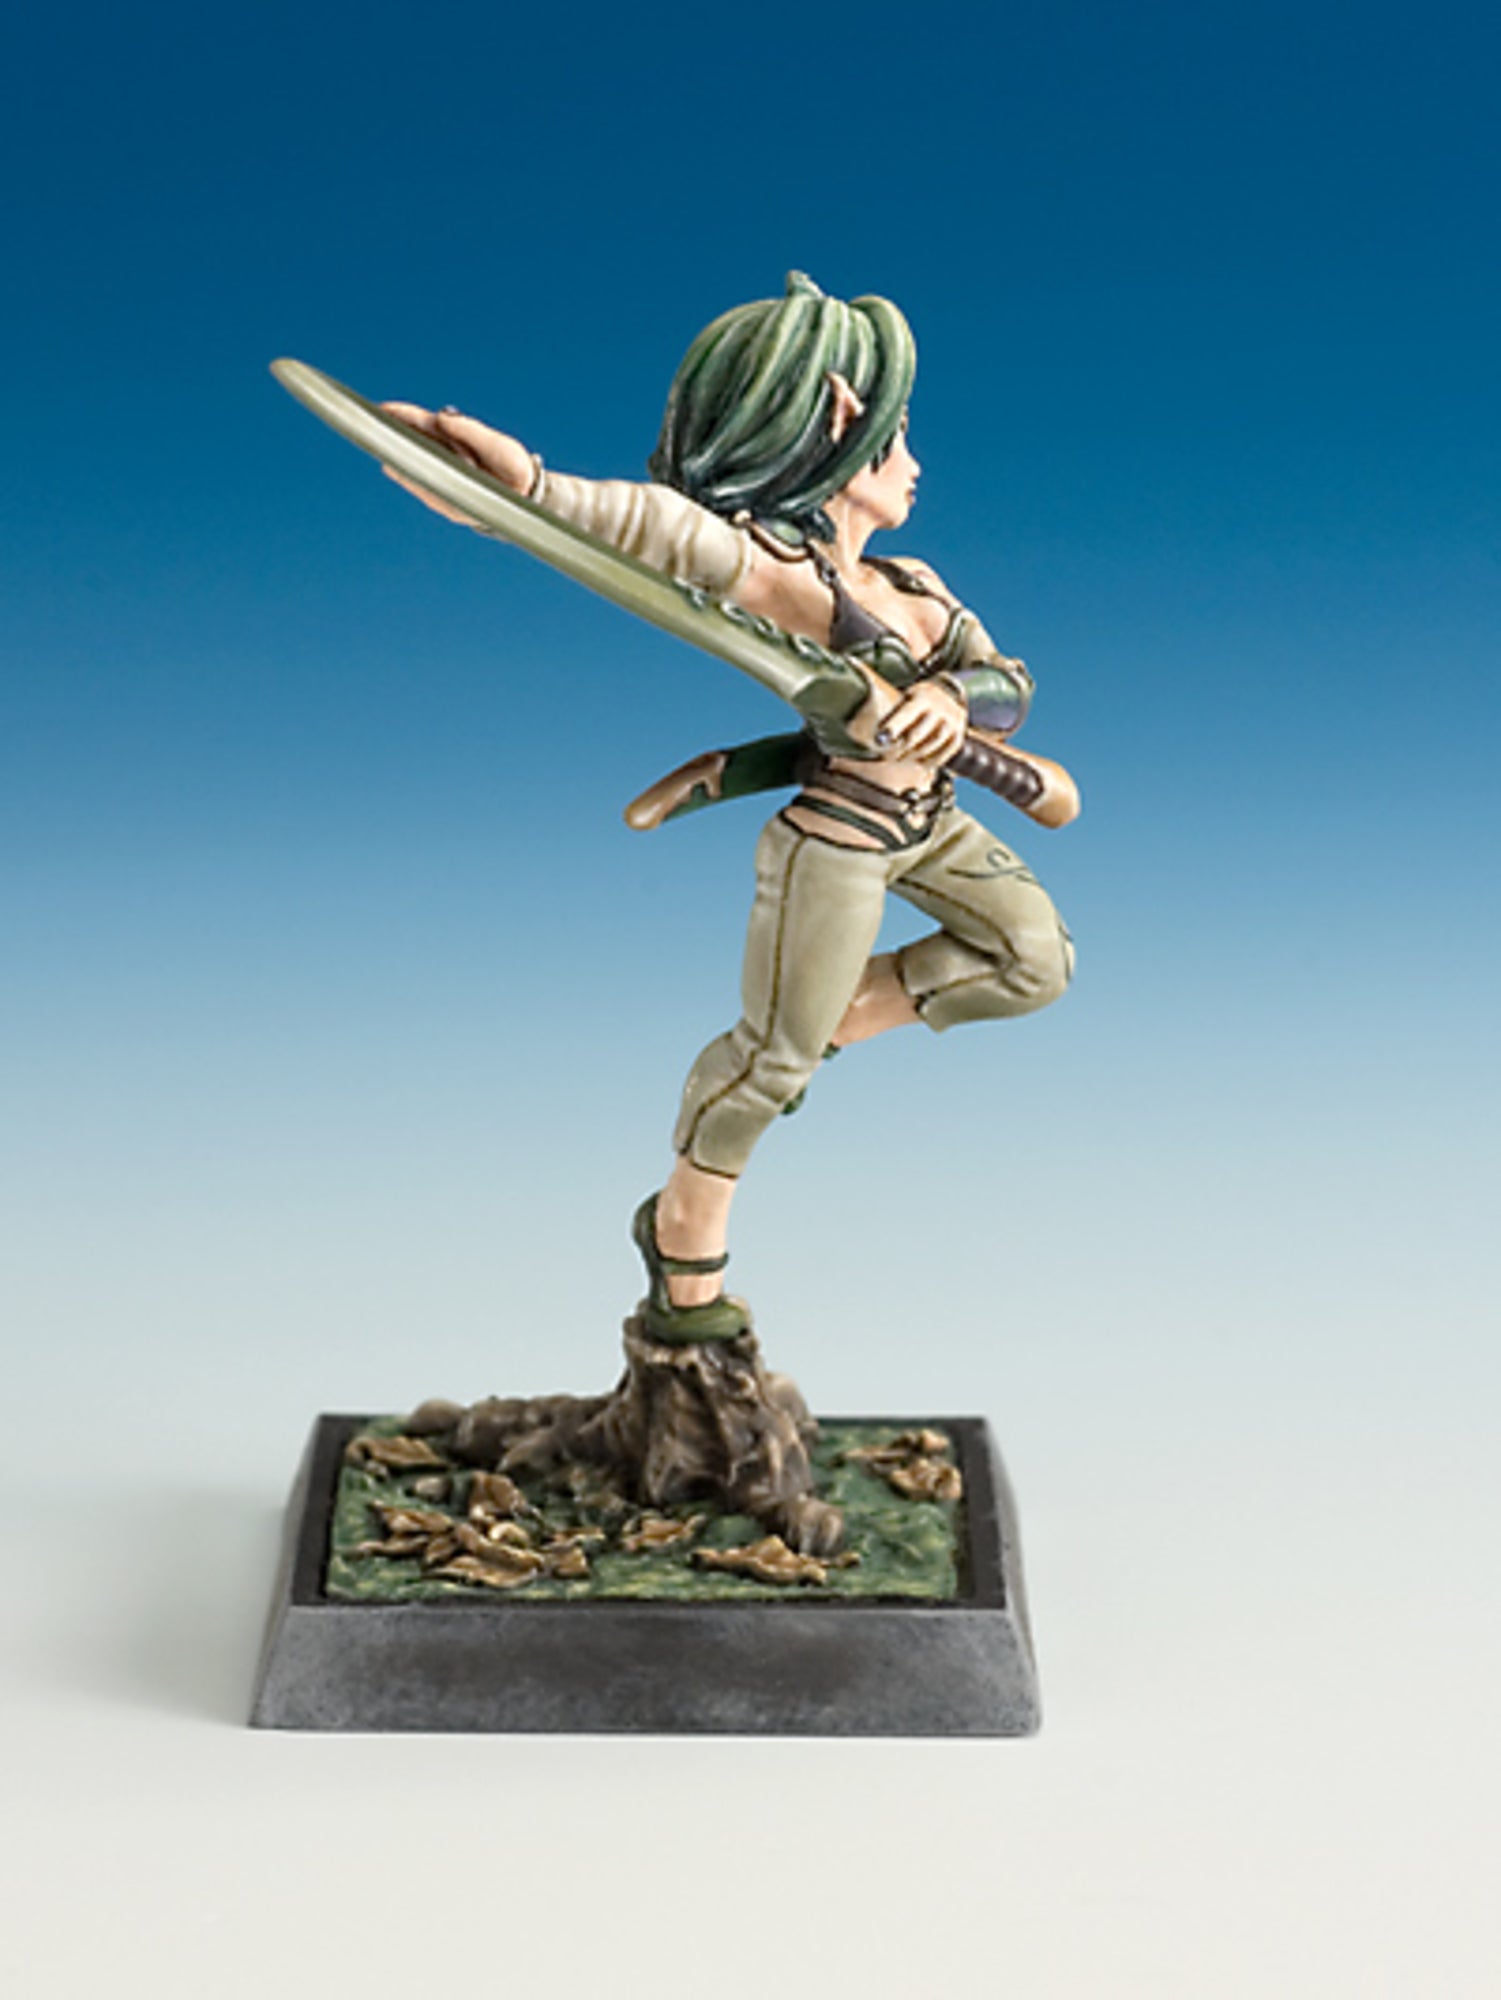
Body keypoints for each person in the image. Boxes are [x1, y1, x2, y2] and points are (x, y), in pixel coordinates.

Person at [382, 273, 1075, 1345]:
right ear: (842, 420)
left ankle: (801, 1037)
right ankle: (685, 1228)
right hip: (838, 840)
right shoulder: (775, 574)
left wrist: (951, 699)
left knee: (1033, 960)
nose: (914, 460)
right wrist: (529, 490)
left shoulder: (917, 584)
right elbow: (657, 532)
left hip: (934, 822)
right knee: (769, 1067)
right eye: (897, 435)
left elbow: (1009, 685)